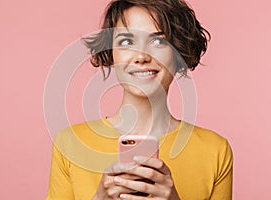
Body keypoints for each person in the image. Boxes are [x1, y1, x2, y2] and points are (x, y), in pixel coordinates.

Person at [46, 0, 233, 199]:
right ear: (111, 54)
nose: (141, 56)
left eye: (158, 41)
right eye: (127, 42)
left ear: (179, 53)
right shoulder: (70, 143)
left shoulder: (215, 150)